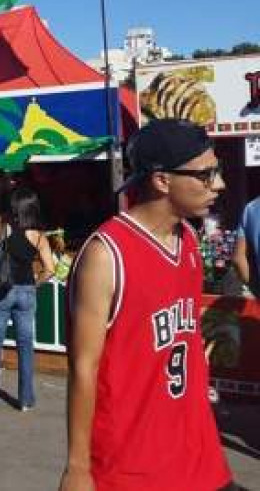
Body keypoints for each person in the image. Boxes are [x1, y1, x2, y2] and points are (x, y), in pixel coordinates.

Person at [61, 119, 234, 491]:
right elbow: (83, 366)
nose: (218, 184)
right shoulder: (105, 255)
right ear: (161, 180)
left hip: (196, 452)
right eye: (206, 175)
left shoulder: (187, 238)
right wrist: (77, 467)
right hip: (131, 464)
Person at [0, 187, 54, 411]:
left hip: (1, 291)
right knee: (26, 346)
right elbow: (50, 269)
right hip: (26, 291)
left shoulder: (2, 227)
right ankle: (25, 399)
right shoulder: (39, 236)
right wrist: (35, 283)